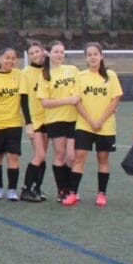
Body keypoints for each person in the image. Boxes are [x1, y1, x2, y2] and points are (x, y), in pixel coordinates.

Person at [68, 42, 122, 207]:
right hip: (85, 124)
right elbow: (77, 101)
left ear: (101, 56)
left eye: (95, 54)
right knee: (79, 157)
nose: (92, 57)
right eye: (89, 55)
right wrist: (91, 121)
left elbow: (115, 99)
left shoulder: (110, 75)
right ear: (86, 58)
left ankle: (101, 194)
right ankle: (73, 193)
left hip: (105, 126)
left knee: (102, 158)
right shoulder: (80, 76)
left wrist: (100, 121)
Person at [37, 41, 81, 203]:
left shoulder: (73, 70)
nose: (59, 55)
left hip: (74, 119)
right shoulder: (44, 74)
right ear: (48, 53)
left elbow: (80, 94)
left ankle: (71, 190)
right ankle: (62, 190)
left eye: (62, 52)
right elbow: (45, 102)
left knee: (72, 157)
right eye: (56, 51)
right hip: (55, 119)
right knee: (59, 155)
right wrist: (67, 100)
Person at [0, 48, 26, 201]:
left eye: (13, 58)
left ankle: (12, 190)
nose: (10, 61)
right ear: (0, 59)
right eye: (7, 57)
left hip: (14, 124)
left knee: (13, 157)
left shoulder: (19, 75)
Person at [19, 42, 50, 202]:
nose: (35, 55)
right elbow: (23, 100)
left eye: (37, 51)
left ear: (43, 51)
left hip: (49, 118)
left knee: (43, 156)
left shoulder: (49, 70)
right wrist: (28, 123)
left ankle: (37, 188)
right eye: (31, 53)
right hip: (35, 119)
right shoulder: (26, 72)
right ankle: (26, 190)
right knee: (39, 154)